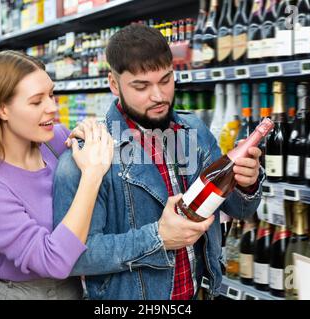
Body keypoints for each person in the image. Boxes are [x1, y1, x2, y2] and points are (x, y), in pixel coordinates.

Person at [53, 24, 264, 300]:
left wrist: (246, 183)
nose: (159, 96)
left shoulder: (194, 132)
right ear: (114, 84)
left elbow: (239, 208)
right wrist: (158, 238)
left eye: (165, 80)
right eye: (141, 86)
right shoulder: (85, 156)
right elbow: (75, 258)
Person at [0, 50, 114, 300]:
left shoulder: (54, 139)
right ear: (2, 109)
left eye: (51, 95)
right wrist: (91, 175)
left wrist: (96, 140)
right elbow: (52, 261)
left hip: (72, 289)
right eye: (36, 102)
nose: (52, 108)